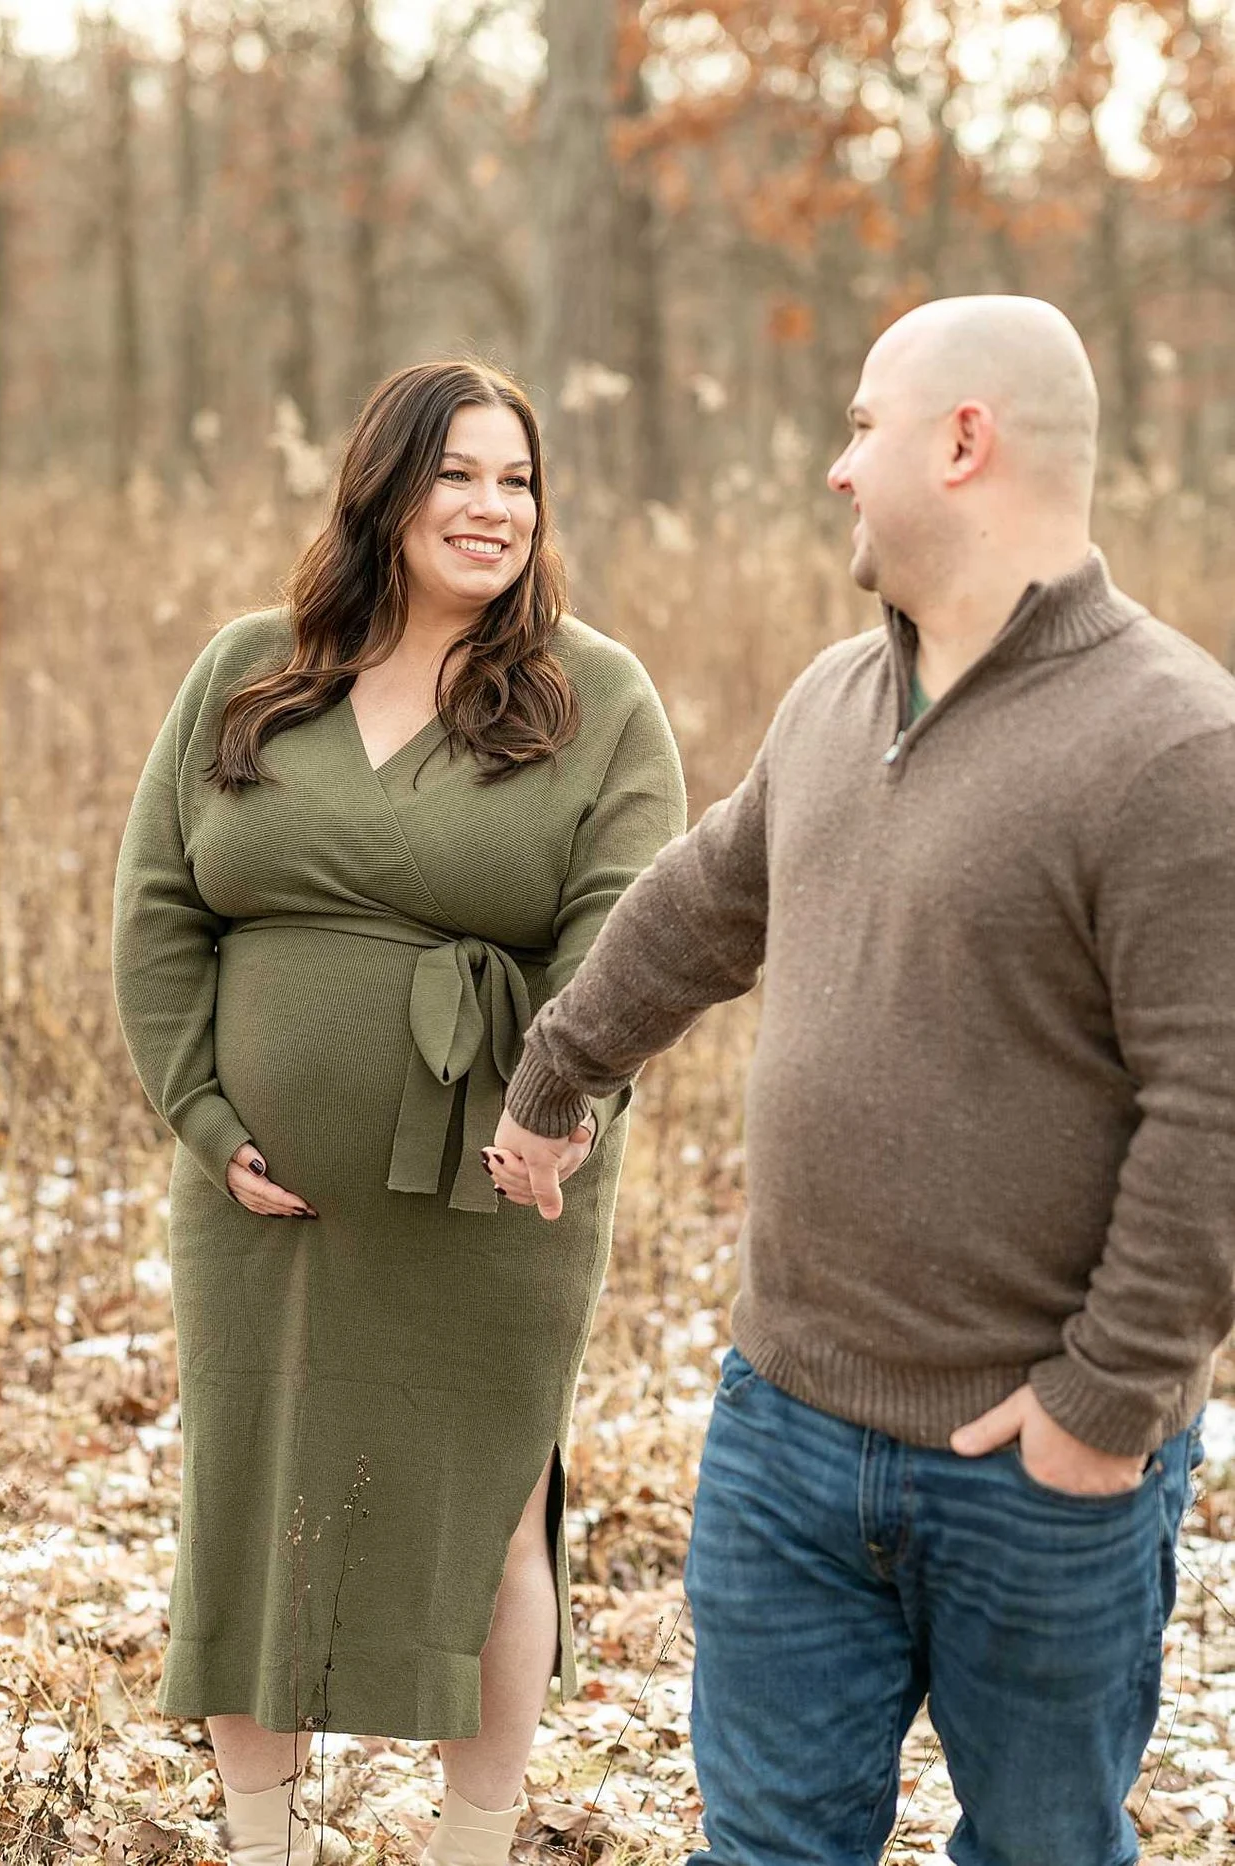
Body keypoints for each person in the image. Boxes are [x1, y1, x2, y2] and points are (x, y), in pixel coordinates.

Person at [488, 295, 1235, 1866]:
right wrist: (556, 1071)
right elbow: (701, 905)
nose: (837, 469)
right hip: (787, 1434)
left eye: (860, 424)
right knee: (765, 1848)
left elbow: (1218, 1110)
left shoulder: (1175, 744)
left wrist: (1104, 1405)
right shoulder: (835, 700)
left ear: (965, 441)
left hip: (1036, 1477)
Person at [111, 359, 685, 1866]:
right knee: (251, 1493)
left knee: (484, 1505)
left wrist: (565, 1110)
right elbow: (158, 909)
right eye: (460, 476)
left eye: (519, 480)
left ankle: (471, 1845)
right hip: (262, 1195)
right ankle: (266, 1841)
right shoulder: (251, 668)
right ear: (384, 488)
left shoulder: (594, 698)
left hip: (489, 1192)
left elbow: (630, 934)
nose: (493, 509)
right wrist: (204, 1111)